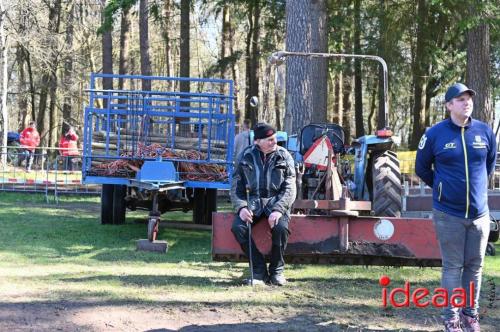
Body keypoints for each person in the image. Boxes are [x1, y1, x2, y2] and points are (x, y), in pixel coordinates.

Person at [416, 83, 496, 332]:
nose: (466, 102)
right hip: (448, 214)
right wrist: (442, 187)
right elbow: (421, 168)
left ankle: (470, 316)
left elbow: (489, 165)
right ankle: (451, 319)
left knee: (475, 266)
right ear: (449, 105)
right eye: (460, 99)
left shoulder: (484, 131)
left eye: (468, 98)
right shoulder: (434, 134)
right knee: (453, 267)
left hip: (479, 215)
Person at [230, 123, 296, 286]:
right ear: (257, 141)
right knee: (238, 227)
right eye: (270, 140)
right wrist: (241, 207)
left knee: (280, 228)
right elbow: (235, 185)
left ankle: (277, 271)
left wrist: (279, 209)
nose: (274, 142)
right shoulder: (245, 156)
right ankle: (259, 271)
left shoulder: (284, 156)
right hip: (253, 202)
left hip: (276, 202)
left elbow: (290, 186)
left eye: (274, 139)